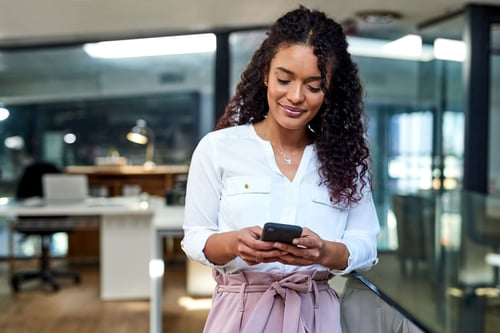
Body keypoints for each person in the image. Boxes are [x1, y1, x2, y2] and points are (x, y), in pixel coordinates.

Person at [182, 6, 380, 333]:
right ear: (265, 74)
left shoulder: (347, 161)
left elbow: (366, 246)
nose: (296, 96)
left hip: (318, 313)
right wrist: (234, 244)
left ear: (330, 91)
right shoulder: (218, 148)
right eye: (284, 79)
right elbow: (195, 238)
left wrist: (325, 251)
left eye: (314, 86)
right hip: (239, 312)